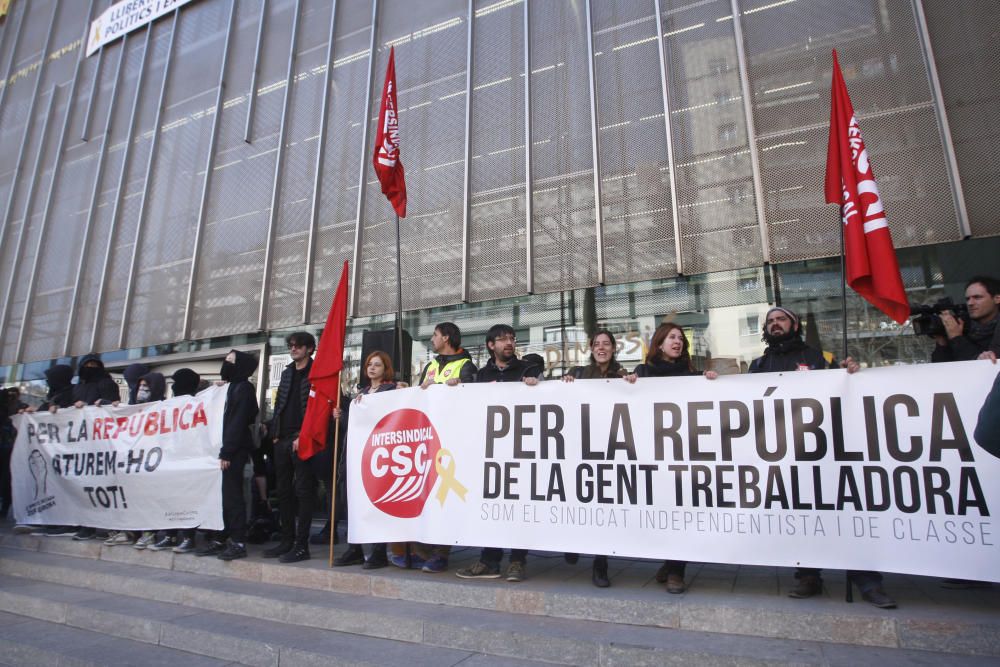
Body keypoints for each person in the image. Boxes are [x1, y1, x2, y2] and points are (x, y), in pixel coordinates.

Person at [747, 306, 894, 608]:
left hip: (824, 452)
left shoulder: (819, 358)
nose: (775, 324)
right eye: (770, 321)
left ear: (794, 324)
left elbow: (843, 393)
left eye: (781, 319)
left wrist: (850, 374)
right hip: (785, 456)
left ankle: (866, 580)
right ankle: (808, 575)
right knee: (801, 517)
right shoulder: (758, 364)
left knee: (844, 514)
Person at [632, 323, 717, 594]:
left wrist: (714, 383)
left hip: (683, 455)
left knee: (681, 513)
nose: (678, 342)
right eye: (672, 337)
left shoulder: (692, 374)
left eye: (681, 338)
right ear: (659, 343)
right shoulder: (642, 373)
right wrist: (626, 386)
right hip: (652, 455)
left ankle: (676, 570)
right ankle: (669, 563)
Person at [455, 325, 542, 583]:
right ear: (491, 345)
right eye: (503, 339)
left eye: (512, 339)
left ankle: (517, 560)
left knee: (517, 506)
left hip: (520, 449)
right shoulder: (482, 375)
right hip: (490, 452)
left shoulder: (528, 370)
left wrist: (535, 385)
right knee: (491, 505)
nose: (509, 343)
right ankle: (489, 560)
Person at [397, 322, 476, 574]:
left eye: (435, 335)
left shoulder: (466, 366)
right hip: (429, 439)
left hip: (453, 443)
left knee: (446, 498)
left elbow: (472, 398)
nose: (432, 339)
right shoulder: (431, 366)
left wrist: (458, 388)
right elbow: (421, 397)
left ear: (447, 337)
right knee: (426, 495)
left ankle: (441, 554)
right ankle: (423, 551)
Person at [562, 329, 628, 588]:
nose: (601, 348)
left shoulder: (622, 375)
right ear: (591, 348)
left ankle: (601, 564)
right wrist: (565, 381)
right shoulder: (579, 374)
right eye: (597, 344)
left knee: (603, 504)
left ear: (613, 348)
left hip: (609, 449)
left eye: (606, 344)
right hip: (581, 447)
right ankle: (573, 541)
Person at [334, 350, 400, 569]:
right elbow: (353, 428)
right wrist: (342, 416)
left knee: (377, 502)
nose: (372, 368)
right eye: (370, 364)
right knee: (350, 501)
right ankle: (355, 548)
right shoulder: (360, 393)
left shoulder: (391, 390)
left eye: (377, 365)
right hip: (355, 456)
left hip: (378, 456)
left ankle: (379, 552)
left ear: (385, 369)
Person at [196, 350, 259, 561]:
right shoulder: (231, 388)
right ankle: (221, 537)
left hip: (232, 450)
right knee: (220, 495)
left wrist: (227, 452)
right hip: (223, 449)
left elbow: (237, 422)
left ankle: (238, 541)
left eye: (231, 361)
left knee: (232, 495)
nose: (226, 364)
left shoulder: (244, 389)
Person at [263, 332, 319, 564]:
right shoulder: (286, 373)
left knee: (303, 492)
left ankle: (301, 545)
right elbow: (279, 404)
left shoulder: (317, 373)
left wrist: (303, 436)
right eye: (291, 345)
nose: (293, 349)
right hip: (282, 439)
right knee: (284, 492)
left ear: (309, 349)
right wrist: (275, 434)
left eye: (298, 345)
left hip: (302, 439)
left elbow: (316, 409)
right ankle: (287, 540)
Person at [148, 368, 202, 553]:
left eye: (178, 382)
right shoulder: (168, 405)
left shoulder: (197, 404)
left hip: (189, 460)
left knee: (186, 500)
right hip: (170, 458)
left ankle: (188, 537)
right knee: (170, 498)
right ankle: (170, 535)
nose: (175, 386)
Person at [932, 275, 1000, 363]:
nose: (970, 303)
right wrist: (942, 341)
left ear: (997, 299)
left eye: (977, 297)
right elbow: (941, 370)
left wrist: (956, 337)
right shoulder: (962, 324)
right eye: (967, 299)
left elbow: (991, 363)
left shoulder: (957, 332)